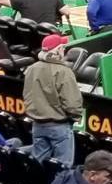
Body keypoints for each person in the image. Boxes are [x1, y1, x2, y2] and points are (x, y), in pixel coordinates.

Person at [22, 33, 83, 166]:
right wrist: (75, 116)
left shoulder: (32, 69)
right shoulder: (64, 72)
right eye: (63, 48)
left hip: (37, 124)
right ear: (58, 50)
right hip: (59, 126)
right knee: (63, 168)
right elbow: (72, 103)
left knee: (38, 165)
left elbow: (27, 96)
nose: (64, 51)